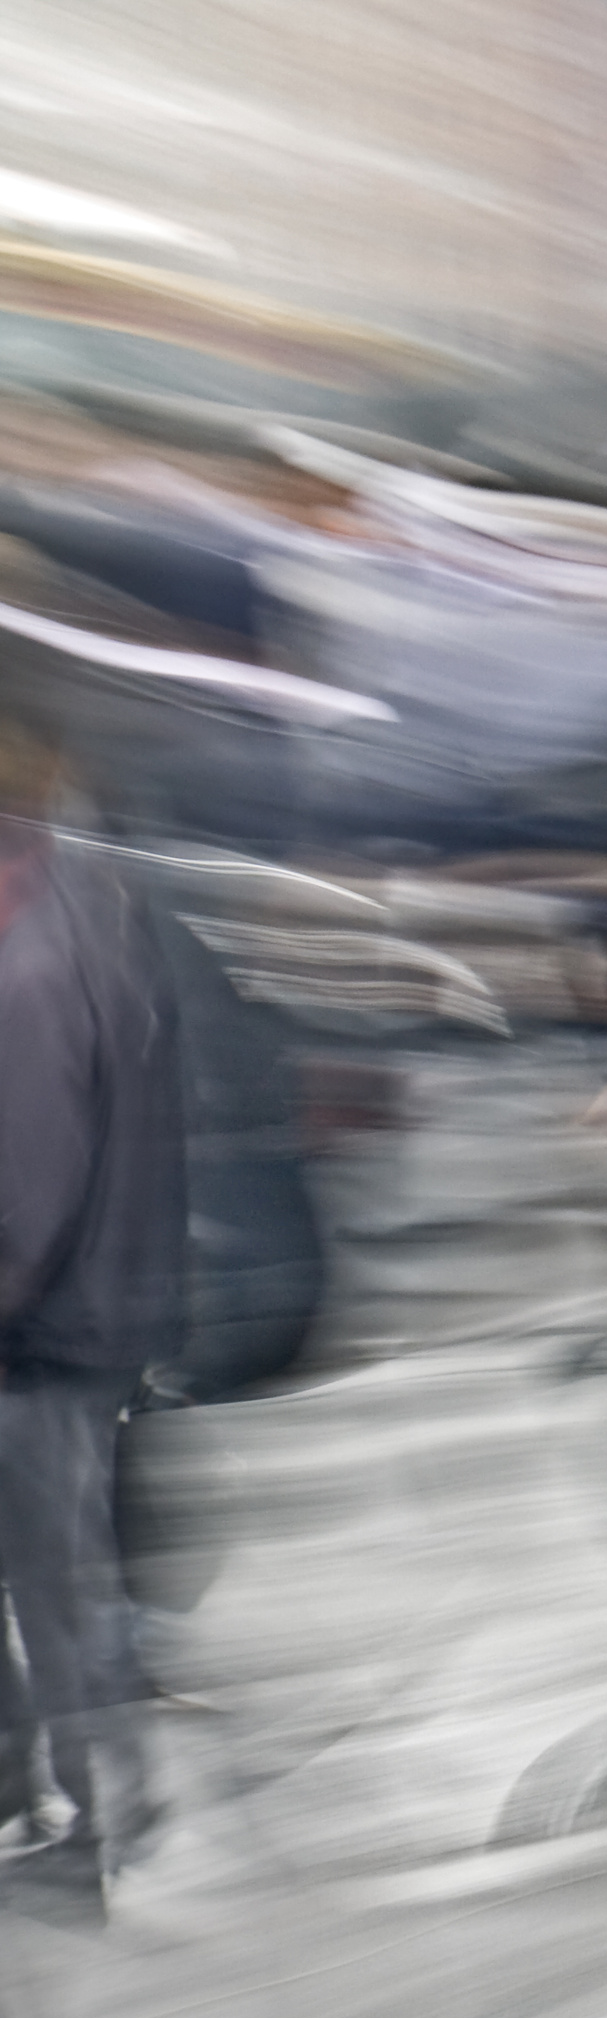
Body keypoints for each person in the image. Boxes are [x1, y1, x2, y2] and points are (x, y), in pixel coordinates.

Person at [0, 643, 184, 1893]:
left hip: (36, 1322)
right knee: (57, 1568)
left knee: (56, 1576)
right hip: (83, 1308)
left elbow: (25, 1173)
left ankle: (95, 1806)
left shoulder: (29, 944)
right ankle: (58, 1788)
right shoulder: (79, 885)